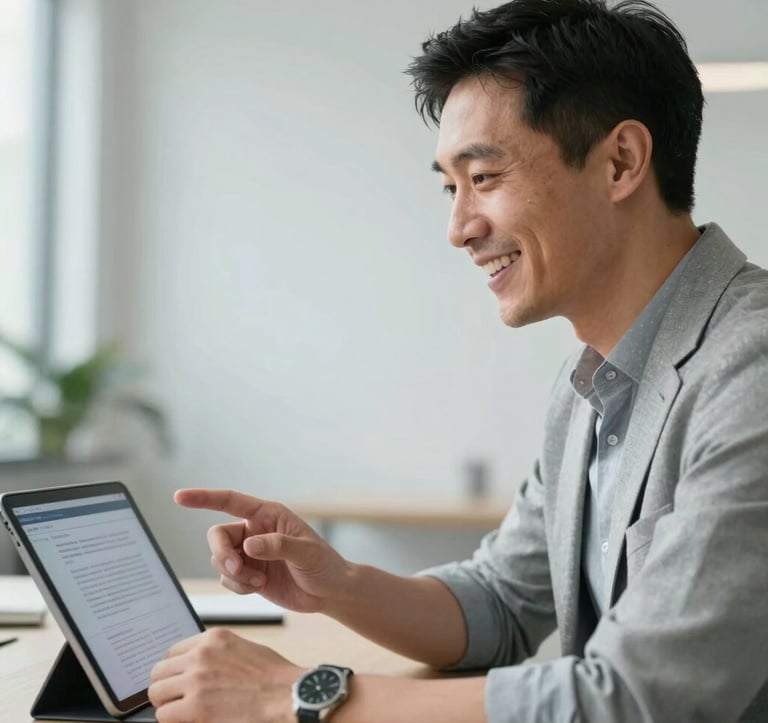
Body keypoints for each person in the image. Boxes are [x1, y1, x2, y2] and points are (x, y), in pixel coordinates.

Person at [148, 1, 768, 721]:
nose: (458, 228)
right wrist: (336, 581)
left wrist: (288, 694)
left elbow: (637, 696)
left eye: (484, 178)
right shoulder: (593, 386)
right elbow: (504, 601)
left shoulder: (750, 371)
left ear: (621, 161)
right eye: (451, 186)